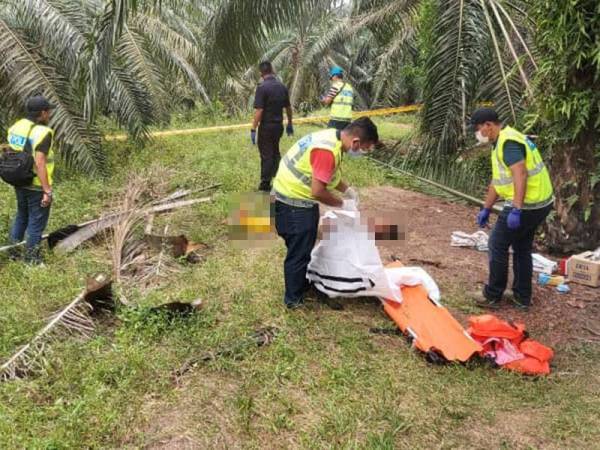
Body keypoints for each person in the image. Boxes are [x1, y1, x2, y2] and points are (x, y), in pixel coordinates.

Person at [272, 117, 379, 309]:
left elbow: (329, 175)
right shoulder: (327, 150)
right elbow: (318, 191)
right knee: (299, 252)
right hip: (293, 203)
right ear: (356, 142)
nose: (364, 152)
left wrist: (348, 190)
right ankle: (293, 300)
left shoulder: (333, 138)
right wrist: (342, 204)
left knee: (303, 247)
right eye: (365, 148)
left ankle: (301, 284)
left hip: (292, 198)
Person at [471, 108, 554, 311]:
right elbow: (498, 181)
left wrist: (516, 209)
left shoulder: (508, 143)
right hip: (540, 202)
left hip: (528, 204)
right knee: (522, 247)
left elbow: (521, 174)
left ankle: (493, 295)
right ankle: (521, 296)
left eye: (478, 128)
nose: (477, 133)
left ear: (489, 126)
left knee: (497, 244)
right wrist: (486, 208)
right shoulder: (502, 141)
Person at [6, 95, 56, 264]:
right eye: (48, 112)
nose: (49, 115)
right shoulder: (43, 132)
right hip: (35, 184)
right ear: (42, 113)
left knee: (21, 216)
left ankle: (13, 254)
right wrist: (47, 190)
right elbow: (40, 161)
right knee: (36, 223)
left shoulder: (15, 127)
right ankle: (32, 261)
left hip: (19, 180)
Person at [251, 61, 294, 192]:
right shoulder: (282, 87)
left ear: (261, 73)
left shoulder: (262, 88)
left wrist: (253, 128)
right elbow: (288, 107)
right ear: (272, 71)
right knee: (275, 152)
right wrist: (290, 123)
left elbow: (259, 111)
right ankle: (279, 178)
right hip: (278, 126)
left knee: (267, 155)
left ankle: (265, 184)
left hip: (267, 127)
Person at [321, 66, 354, 131]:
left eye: (332, 77)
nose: (332, 80)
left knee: (330, 138)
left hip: (336, 119)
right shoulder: (349, 87)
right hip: (347, 119)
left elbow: (327, 101)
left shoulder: (336, 86)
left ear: (335, 76)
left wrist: (323, 99)